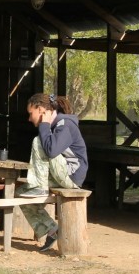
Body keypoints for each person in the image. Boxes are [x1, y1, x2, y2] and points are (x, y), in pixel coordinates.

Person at [16, 93, 88, 252]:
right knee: (21, 194)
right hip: (60, 173)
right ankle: (52, 230)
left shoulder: (65, 124)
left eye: (30, 113)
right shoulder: (55, 125)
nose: (29, 119)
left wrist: (44, 125)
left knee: (38, 141)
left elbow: (52, 150)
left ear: (40, 110)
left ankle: (39, 186)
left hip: (72, 175)